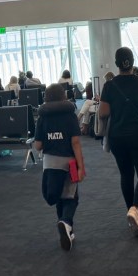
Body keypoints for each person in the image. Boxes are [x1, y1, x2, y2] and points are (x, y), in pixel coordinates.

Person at [99, 47, 138, 237]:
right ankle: (136, 209)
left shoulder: (109, 85)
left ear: (116, 64)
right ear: (133, 62)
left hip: (117, 136)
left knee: (126, 174)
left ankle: (131, 211)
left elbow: (103, 113)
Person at [34, 83, 85, 252]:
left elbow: (38, 145)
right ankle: (66, 222)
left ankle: (67, 229)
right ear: (63, 96)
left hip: (50, 163)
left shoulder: (42, 117)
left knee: (57, 197)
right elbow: (75, 142)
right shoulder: (70, 115)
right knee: (71, 197)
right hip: (69, 163)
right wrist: (81, 166)